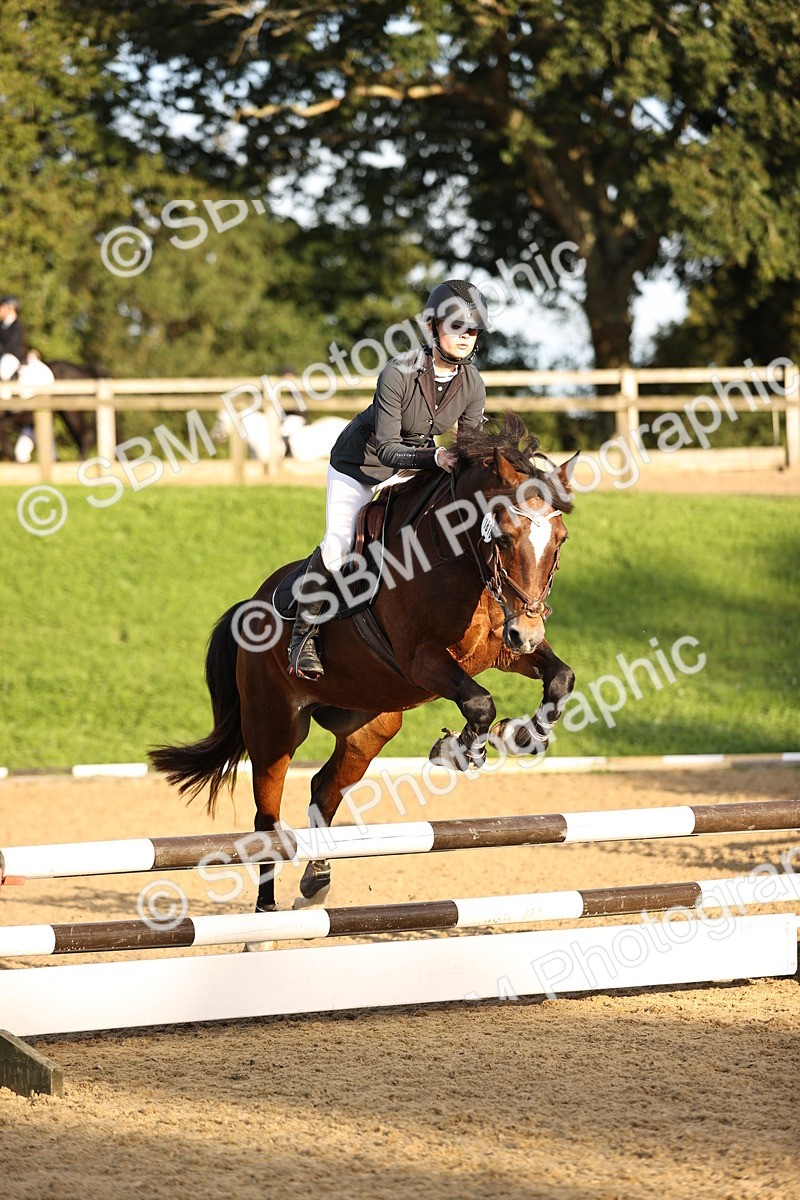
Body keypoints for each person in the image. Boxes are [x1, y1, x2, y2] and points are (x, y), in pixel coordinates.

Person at [287, 278, 491, 679]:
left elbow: (470, 451)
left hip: (412, 469)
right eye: (456, 328)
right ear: (434, 329)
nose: (465, 337)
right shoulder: (399, 372)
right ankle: (302, 638)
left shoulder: (473, 385)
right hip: (360, 468)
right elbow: (386, 448)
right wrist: (434, 456)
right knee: (337, 547)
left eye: (472, 330)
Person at [0, 296, 25, 382]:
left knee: (4, 368)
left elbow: (12, 343)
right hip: (4, 354)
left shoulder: (17, 325)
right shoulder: (3, 325)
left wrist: (1, 352)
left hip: (13, 356)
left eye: (2, 307)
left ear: (11, 308)